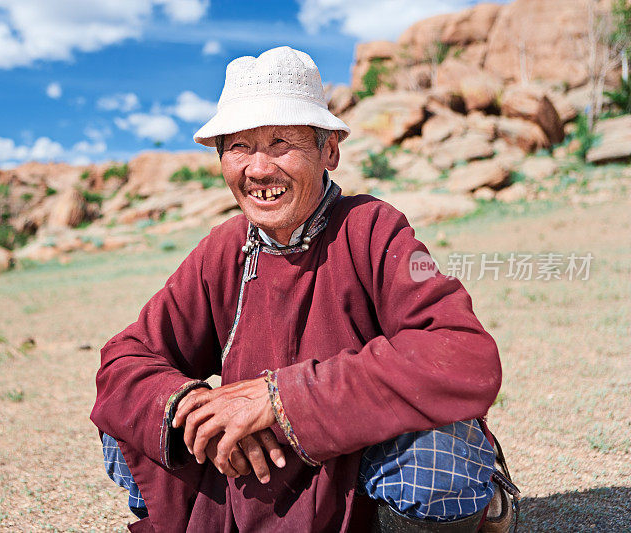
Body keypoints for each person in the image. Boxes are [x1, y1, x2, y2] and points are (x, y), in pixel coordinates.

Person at [91, 46, 510, 532]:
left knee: (435, 460)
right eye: (239, 147)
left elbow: (462, 353)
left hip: (351, 474)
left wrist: (279, 400)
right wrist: (195, 407)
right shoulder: (223, 250)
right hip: (254, 470)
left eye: (281, 142)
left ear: (329, 149)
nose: (259, 169)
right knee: (134, 414)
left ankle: (474, 511)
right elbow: (125, 358)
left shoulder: (372, 229)